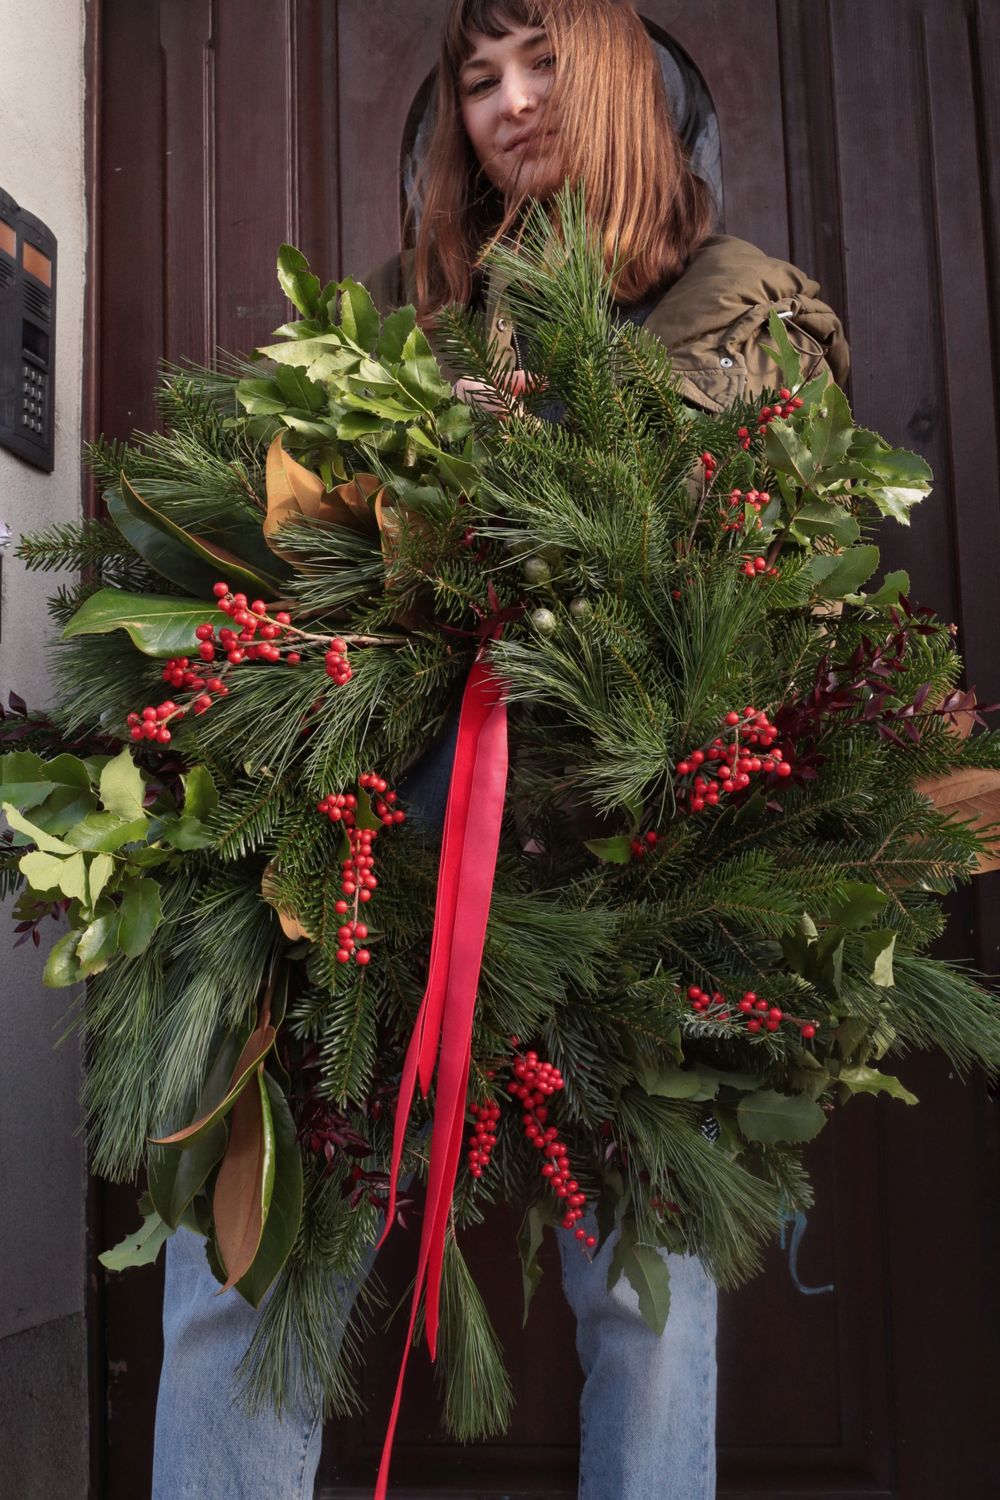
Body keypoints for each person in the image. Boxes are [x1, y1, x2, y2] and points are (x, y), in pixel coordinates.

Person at [153, 4, 848, 1497]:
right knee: (247, 1248)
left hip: (626, 865)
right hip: (382, 855)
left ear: (617, 82)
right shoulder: (403, 327)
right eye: (479, 81)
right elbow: (319, 560)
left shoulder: (746, 312)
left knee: (644, 1285)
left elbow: (749, 591)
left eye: (542, 66)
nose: (511, 105)